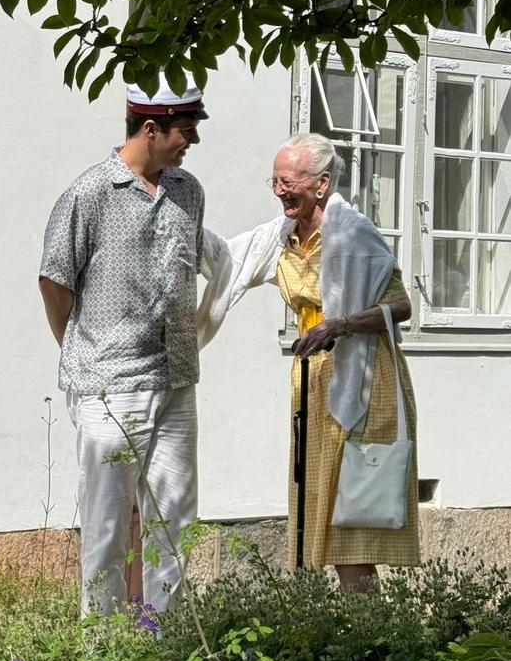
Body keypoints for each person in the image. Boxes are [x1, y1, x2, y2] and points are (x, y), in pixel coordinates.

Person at [198, 133, 419, 591]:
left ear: (320, 184)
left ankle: (370, 634)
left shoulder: (353, 234)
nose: (278, 190)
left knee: (351, 511)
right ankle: (346, 631)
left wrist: (343, 324)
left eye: (287, 180)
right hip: (313, 377)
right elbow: (225, 260)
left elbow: (402, 307)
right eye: (274, 181)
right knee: (318, 502)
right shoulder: (279, 238)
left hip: (362, 377)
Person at [39, 77, 207, 615]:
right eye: (186, 131)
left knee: (175, 524)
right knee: (108, 528)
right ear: (151, 128)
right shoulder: (88, 194)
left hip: (177, 378)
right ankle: (104, 658)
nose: (192, 142)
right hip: (109, 386)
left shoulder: (188, 191)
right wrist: (84, 349)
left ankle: (167, 648)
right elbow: (54, 281)